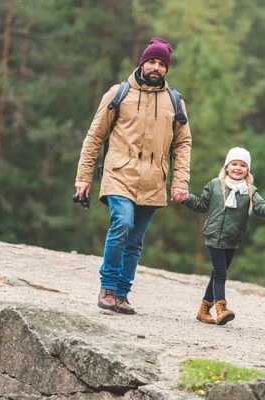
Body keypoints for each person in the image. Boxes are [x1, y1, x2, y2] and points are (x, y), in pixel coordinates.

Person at [75, 38, 192, 315]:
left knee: (136, 240)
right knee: (122, 223)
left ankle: (122, 294)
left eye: (162, 64)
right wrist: (84, 177)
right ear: (142, 62)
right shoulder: (119, 93)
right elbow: (95, 137)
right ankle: (107, 287)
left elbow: (183, 144)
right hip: (119, 174)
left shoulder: (175, 102)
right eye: (152, 61)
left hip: (154, 180)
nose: (156, 67)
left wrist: (180, 181)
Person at [182, 147, 265, 325]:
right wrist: (186, 198)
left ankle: (203, 310)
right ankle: (221, 308)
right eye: (234, 164)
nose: (238, 168)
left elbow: (260, 206)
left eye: (243, 165)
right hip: (214, 234)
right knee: (221, 273)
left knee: (216, 273)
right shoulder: (215, 185)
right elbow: (201, 204)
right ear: (226, 167)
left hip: (233, 238)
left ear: (248, 170)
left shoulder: (249, 190)